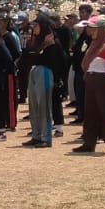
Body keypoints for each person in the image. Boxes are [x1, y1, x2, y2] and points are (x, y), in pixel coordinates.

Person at [72, 15, 105, 156]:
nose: (91, 31)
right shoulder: (95, 44)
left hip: (103, 80)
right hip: (91, 79)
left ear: (102, 30)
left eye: (95, 29)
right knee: (90, 113)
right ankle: (89, 143)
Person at [21, 16, 66, 148]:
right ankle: (36, 135)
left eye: (36, 26)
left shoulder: (53, 43)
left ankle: (46, 137)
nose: (33, 28)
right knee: (34, 106)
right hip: (35, 72)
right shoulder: (39, 42)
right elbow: (30, 56)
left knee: (44, 106)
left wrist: (58, 81)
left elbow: (59, 63)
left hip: (45, 74)